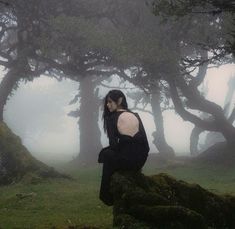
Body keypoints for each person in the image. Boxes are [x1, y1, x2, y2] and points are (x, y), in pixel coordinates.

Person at [98, 90, 150, 206]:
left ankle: (105, 195)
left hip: (127, 161)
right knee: (109, 153)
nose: (107, 105)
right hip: (140, 160)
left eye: (110, 102)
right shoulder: (135, 115)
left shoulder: (111, 118)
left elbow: (113, 145)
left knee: (106, 154)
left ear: (120, 100)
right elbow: (146, 145)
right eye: (107, 102)